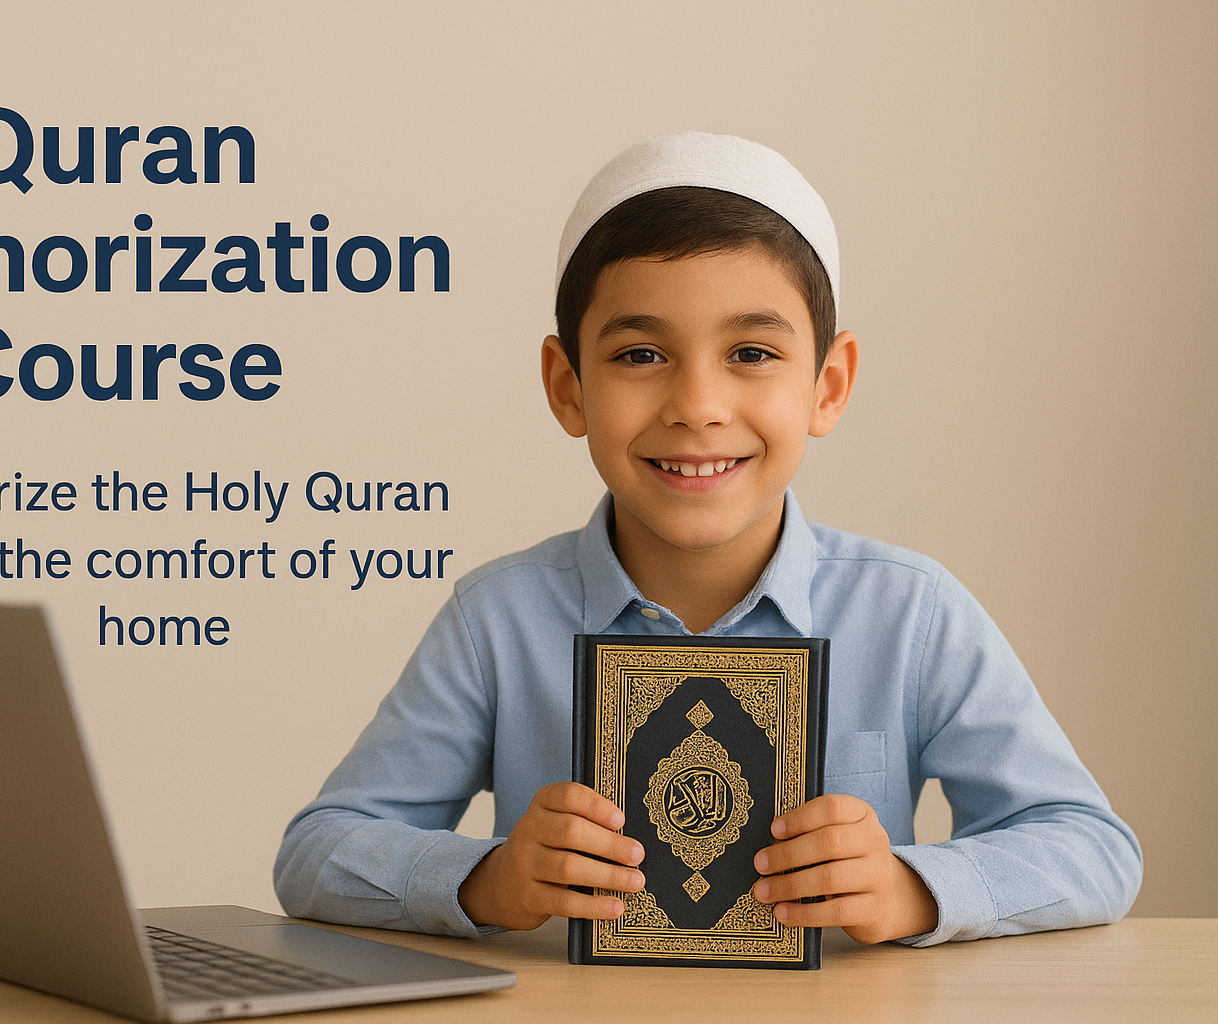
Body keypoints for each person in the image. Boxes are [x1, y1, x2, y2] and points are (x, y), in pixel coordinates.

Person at [272, 132, 1141, 946]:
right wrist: (484, 880)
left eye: (753, 354)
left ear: (828, 385)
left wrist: (915, 887)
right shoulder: (495, 620)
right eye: (641, 355)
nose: (697, 405)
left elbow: (1093, 849)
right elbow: (319, 852)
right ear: (567, 386)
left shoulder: (910, 612)